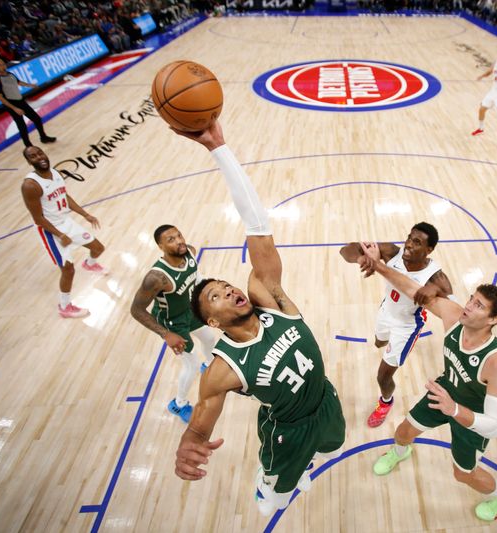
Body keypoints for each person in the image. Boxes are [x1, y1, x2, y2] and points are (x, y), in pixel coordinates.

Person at [172, 120, 346, 517]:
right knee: (273, 505)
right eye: (214, 296)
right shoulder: (223, 368)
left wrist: (220, 149)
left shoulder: (272, 300)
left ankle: (311, 459)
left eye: (226, 285)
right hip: (287, 432)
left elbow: (258, 226)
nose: (229, 289)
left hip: (325, 400)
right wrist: (189, 443)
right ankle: (269, 486)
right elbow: (200, 424)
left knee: (332, 446)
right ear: (213, 323)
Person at [359, 242, 497, 523]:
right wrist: (378, 264)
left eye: (478, 305)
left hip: (471, 418)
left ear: (493, 319)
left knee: (463, 474)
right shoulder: (456, 318)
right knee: (403, 432)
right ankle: (400, 453)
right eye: (471, 298)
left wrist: (453, 409)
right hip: (445, 393)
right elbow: (411, 288)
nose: (468, 306)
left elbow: (493, 425)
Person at [340, 224, 453, 427]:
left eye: (417, 242)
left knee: (383, 376)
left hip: (406, 326)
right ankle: (388, 347)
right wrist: (363, 258)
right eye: (409, 237)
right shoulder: (392, 252)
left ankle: (385, 402)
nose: (408, 244)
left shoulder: (436, 278)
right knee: (378, 342)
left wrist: (434, 289)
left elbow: (453, 309)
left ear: (429, 250)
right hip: (386, 311)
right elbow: (346, 250)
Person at [130, 225, 217, 423]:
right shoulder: (156, 278)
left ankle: (210, 364)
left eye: (179, 235)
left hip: (189, 310)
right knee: (191, 364)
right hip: (172, 323)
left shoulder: (190, 253)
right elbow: (136, 310)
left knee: (210, 338)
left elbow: (196, 277)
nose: (179, 241)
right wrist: (165, 334)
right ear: (161, 246)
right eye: (171, 239)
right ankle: (179, 404)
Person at [20, 146, 108, 318]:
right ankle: (64, 306)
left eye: (40, 153)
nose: (39, 157)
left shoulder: (55, 173)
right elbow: (38, 219)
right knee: (68, 270)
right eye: (33, 156)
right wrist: (60, 235)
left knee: (98, 248)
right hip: (50, 229)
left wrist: (85, 214)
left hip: (66, 222)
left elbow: (64, 197)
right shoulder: (30, 185)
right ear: (29, 162)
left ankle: (89, 264)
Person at [0, 58, 56, 147]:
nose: (3, 66)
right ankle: (28, 146)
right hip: (12, 104)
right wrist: (14, 108)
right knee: (22, 126)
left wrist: (30, 85)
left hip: (20, 101)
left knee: (36, 119)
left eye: (3, 64)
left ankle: (43, 137)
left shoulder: (10, 74)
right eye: (0, 64)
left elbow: (18, 82)